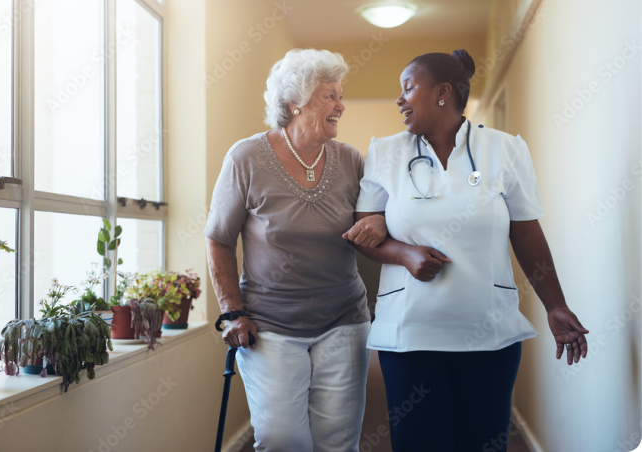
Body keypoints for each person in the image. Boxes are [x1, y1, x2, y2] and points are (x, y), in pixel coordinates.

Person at [343, 49, 589, 451]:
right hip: (410, 334)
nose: (399, 100)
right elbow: (365, 234)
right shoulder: (385, 153)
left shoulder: (505, 149)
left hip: (488, 333)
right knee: (419, 442)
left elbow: (526, 234)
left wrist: (555, 305)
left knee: (483, 442)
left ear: (443, 92)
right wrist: (405, 254)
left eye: (408, 88)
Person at [204, 48, 387, 452]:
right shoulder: (246, 158)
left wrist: (381, 220)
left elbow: (380, 218)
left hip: (344, 319)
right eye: (329, 96)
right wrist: (232, 311)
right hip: (270, 325)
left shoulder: (352, 161)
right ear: (294, 102)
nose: (341, 105)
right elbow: (218, 238)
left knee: (338, 442)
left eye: (340, 94)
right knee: (282, 440)